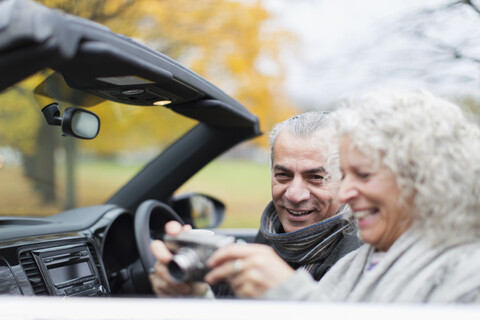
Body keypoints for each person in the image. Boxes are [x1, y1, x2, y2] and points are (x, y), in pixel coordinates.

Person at [204, 89, 480, 303]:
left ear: (422, 177)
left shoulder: (467, 275)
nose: (346, 193)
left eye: (364, 175)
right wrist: (194, 296)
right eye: (344, 175)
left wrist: (291, 296)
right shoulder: (359, 262)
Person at [149, 112, 362, 297]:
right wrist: (195, 282)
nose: (294, 195)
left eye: (316, 177)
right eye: (283, 175)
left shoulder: (358, 257)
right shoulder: (273, 231)